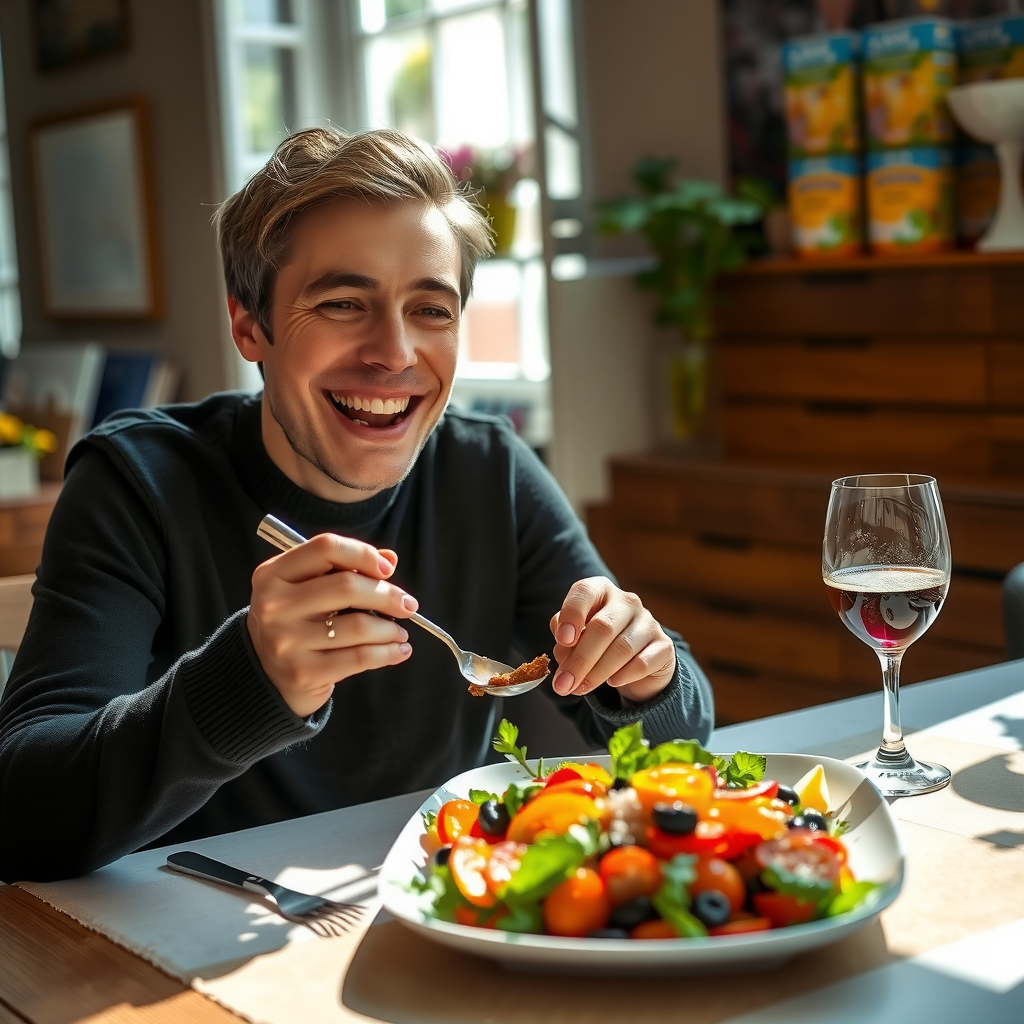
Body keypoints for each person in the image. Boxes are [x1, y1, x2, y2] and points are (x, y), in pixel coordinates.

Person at [0, 128, 713, 883]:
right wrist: (244, 681)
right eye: (343, 303)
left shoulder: (489, 471)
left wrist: (644, 675)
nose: (395, 353)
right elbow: (20, 813)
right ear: (249, 324)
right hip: (185, 930)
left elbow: (682, 746)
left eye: (431, 310)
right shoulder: (136, 481)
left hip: (441, 907)